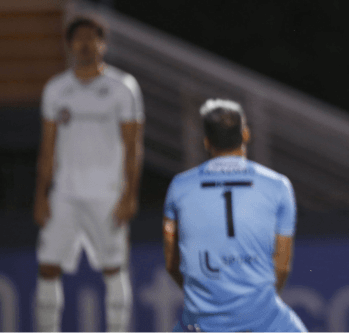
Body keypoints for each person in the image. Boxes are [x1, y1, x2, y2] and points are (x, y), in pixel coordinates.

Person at [33, 17, 144, 333]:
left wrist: (129, 194)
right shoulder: (56, 89)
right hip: (64, 193)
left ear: (103, 44)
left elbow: (133, 146)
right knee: (48, 266)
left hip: (107, 194)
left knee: (113, 268)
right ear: (69, 45)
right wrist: (41, 196)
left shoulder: (123, 88)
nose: (85, 44)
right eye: (79, 38)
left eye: (92, 38)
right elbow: (48, 147)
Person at [163, 99, 306, 333]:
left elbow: (172, 263)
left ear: (207, 141)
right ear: (246, 134)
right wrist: (254, 311)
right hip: (263, 319)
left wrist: (207, 301)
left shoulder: (179, 186)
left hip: (200, 321)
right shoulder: (278, 186)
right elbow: (282, 266)